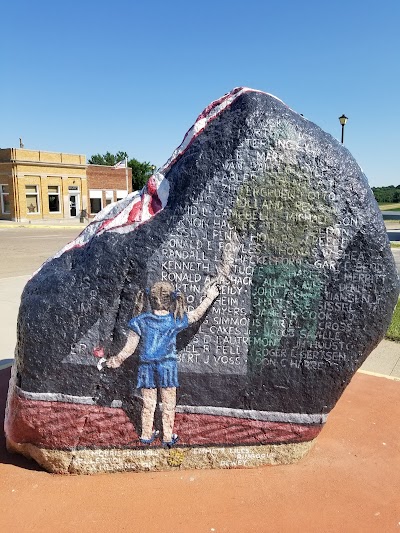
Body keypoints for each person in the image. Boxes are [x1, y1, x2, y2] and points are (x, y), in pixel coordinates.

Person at [106, 281, 220, 447]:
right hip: (167, 367)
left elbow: (128, 349)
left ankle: (146, 435)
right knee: (168, 405)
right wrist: (210, 297)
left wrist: (115, 360)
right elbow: (196, 315)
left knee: (148, 404)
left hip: (146, 367)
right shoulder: (174, 320)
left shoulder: (140, 321)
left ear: (150, 299)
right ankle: (167, 437)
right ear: (172, 300)